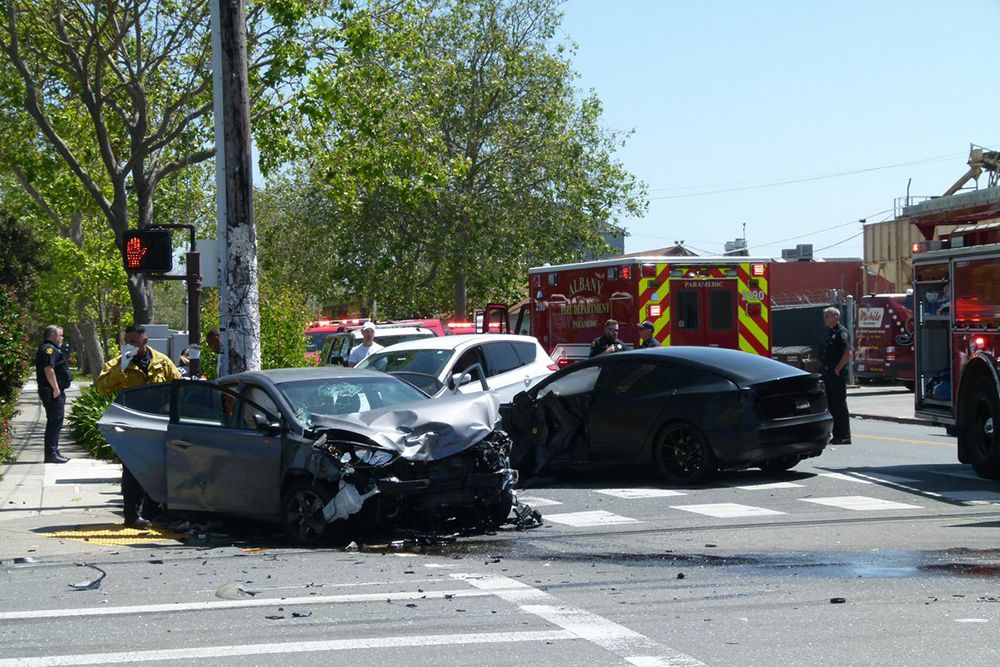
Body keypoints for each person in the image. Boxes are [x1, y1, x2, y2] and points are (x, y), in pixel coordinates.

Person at [96, 324, 183, 528]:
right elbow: (102, 388)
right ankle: (131, 515)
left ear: (145, 342)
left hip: (157, 421)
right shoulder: (117, 364)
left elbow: (178, 385)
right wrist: (121, 369)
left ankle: (152, 511)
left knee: (156, 467)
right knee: (133, 470)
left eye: (134, 342)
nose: (130, 346)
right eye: (127, 342)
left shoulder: (162, 362)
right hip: (132, 423)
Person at [35, 325, 72, 464]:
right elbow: (48, 369)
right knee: (54, 421)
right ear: (51, 335)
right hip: (51, 391)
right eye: (60, 335)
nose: (61, 338)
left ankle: (54, 451)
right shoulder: (48, 349)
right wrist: (55, 388)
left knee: (57, 421)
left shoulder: (52, 349)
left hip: (54, 390)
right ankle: (51, 454)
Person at [821, 306, 852, 445]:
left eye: (827, 316)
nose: (825, 319)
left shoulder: (841, 332)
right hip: (828, 373)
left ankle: (844, 435)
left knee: (839, 404)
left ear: (836, 317)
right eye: (825, 316)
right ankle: (836, 435)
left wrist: (838, 369)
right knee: (832, 404)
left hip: (836, 374)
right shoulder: (831, 332)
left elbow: (847, 353)